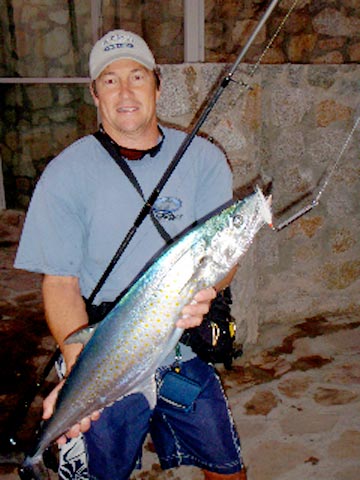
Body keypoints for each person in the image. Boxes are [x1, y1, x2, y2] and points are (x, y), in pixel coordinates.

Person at [15, 29, 246, 480]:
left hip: (179, 346)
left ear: (157, 85)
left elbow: (224, 257)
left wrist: (211, 288)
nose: (125, 91)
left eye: (137, 77)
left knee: (227, 469)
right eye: (110, 80)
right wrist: (78, 360)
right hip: (104, 349)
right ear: (94, 94)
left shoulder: (204, 160)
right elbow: (60, 282)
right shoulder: (64, 175)